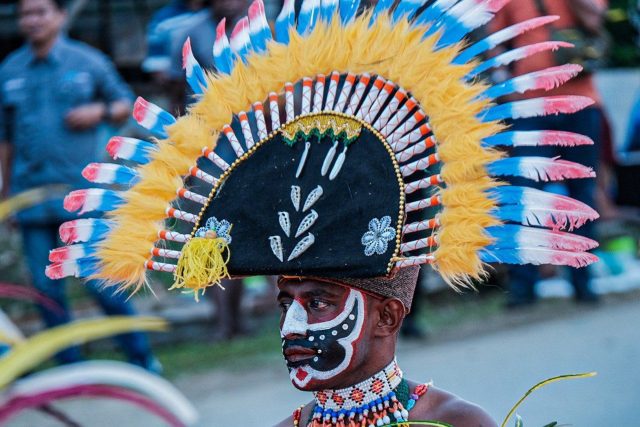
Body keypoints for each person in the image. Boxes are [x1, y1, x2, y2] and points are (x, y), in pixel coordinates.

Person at [47, 1, 599, 424]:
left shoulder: (459, 423)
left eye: (318, 303)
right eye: (287, 300)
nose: (288, 325)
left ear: (387, 316)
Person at [0, 0, 159, 370]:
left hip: (81, 196)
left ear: (58, 16)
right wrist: (5, 194)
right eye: (26, 13)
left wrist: (99, 112)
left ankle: (142, 359)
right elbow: (4, 140)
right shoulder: (9, 71)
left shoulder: (87, 62)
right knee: (46, 291)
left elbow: (124, 103)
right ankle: (71, 368)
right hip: (30, 197)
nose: (33, 20)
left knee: (100, 280)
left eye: (41, 11)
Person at [491, 0, 608, 307]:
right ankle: (523, 288)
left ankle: (583, 283)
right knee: (526, 198)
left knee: (581, 196)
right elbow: (496, 41)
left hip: (580, 104)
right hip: (529, 108)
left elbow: (595, 21)